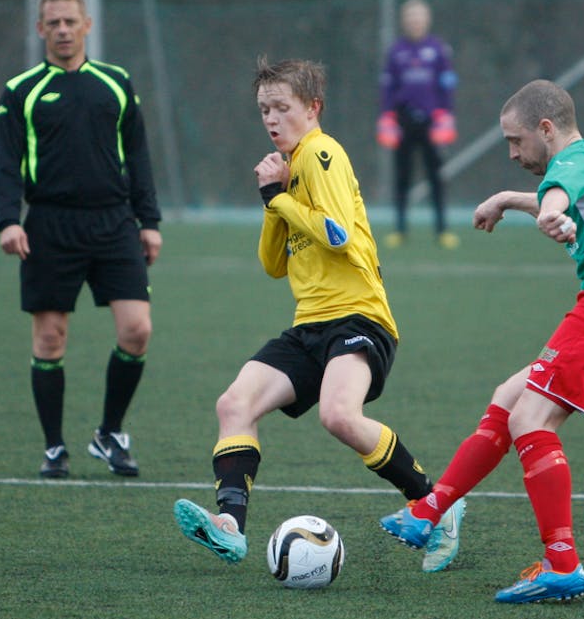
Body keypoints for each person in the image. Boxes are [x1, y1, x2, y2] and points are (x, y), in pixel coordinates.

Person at [380, 79, 584, 603]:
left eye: (515, 140)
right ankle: (428, 511)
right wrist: (508, 200)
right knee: (510, 397)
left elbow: (559, 192)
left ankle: (562, 564)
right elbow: (562, 194)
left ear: (547, 129)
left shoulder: (576, 158)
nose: (512, 152)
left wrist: (549, 212)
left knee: (531, 420)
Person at [173, 57, 466, 573]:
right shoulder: (289, 169)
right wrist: (274, 200)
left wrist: (280, 199)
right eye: (264, 109)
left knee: (338, 415)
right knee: (234, 404)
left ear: (312, 108)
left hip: (359, 317)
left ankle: (436, 505)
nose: (271, 118)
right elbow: (272, 265)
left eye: (281, 107)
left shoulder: (320, 152)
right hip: (310, 324)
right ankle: (230, 527)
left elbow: (337, 234)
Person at [0, 0, 162, 479]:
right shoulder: (21, 91)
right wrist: (8, 220)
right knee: (50, 338)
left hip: (114, 222)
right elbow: (5, 164)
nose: (63, 30)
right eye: (54, 23)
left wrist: (149, 222)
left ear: (87, 25)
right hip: (49, 225)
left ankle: (109, 433)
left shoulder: (116, 83)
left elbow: (139, 156)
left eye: (70, 21)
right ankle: (53, 447)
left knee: (137, 330)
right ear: (40, 29)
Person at [377, 0, 460, 250]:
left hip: (431, 123)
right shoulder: (396, 51)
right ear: (404, 20)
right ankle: (400, 229)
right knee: (402, 177)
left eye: (419, 16)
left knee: (436, 177)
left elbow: (447, 84)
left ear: (427, 19)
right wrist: (387, 116)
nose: (415, 21)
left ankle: (442, 230)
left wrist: (446, 116)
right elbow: (387, 87)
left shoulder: (438, 49)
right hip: (403, 122)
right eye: (411, 16)